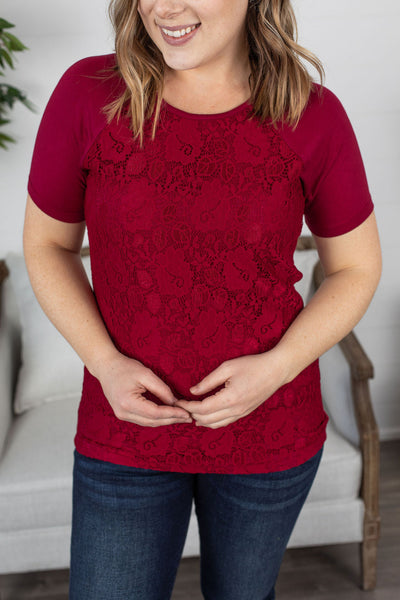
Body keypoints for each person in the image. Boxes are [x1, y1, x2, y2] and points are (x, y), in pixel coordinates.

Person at [23, 1, 382, 598]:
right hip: (126, 433)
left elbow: (356, 268)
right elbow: (46, 246)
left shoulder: (312, 114)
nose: (167, 7)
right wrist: (105, 364)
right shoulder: (90, 94)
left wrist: (276, 369)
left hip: (269, 432)